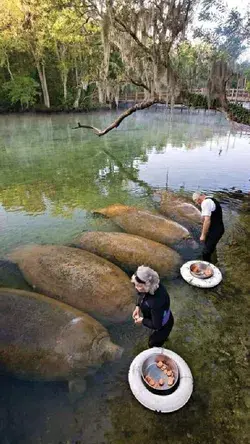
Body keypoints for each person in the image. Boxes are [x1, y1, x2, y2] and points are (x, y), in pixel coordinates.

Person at [131, 266, 174, 348]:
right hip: (158, 316)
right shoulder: (152, 285)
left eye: (137, 285)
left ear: (146, 285)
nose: (135, 287)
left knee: (152, 343)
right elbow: (141, 294)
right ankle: (164, 338)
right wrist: (137, 306)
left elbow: (156, 325)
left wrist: (142, 320)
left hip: (163, 325)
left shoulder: (156, 302)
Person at [192, 192, 224, 263]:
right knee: (209, 246)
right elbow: (205, 217)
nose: (197, 204)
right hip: (217, 228)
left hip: (216, 231)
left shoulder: (205, 203)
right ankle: (214, 257)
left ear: (199, 199)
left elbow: (207, 220)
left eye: (196, 201)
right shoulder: (210, 199)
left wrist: (203, 235)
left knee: (205, 253)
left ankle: (208, 267)